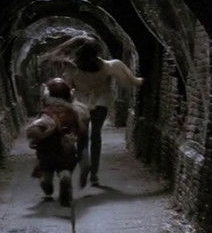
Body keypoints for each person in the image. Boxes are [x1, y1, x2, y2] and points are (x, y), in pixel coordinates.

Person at [41, 36, 143, 187]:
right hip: (100, 99)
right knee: (96, 134)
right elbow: (131, 80)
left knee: (83, 136)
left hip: (82, 102)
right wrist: (142, 81)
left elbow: (66, 88)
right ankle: (94, 173)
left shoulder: (73, 69)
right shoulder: (109, 66)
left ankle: (85, 163)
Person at [26, 78, 89, 206]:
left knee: (47, 171)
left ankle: (47, 185)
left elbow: (35, 130)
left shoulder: (46, 113)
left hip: (47, 150)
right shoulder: (74, 112)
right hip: (66, 148)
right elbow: (81, 130)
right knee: (65, 168)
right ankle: (65, 176)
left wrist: (35, 139)